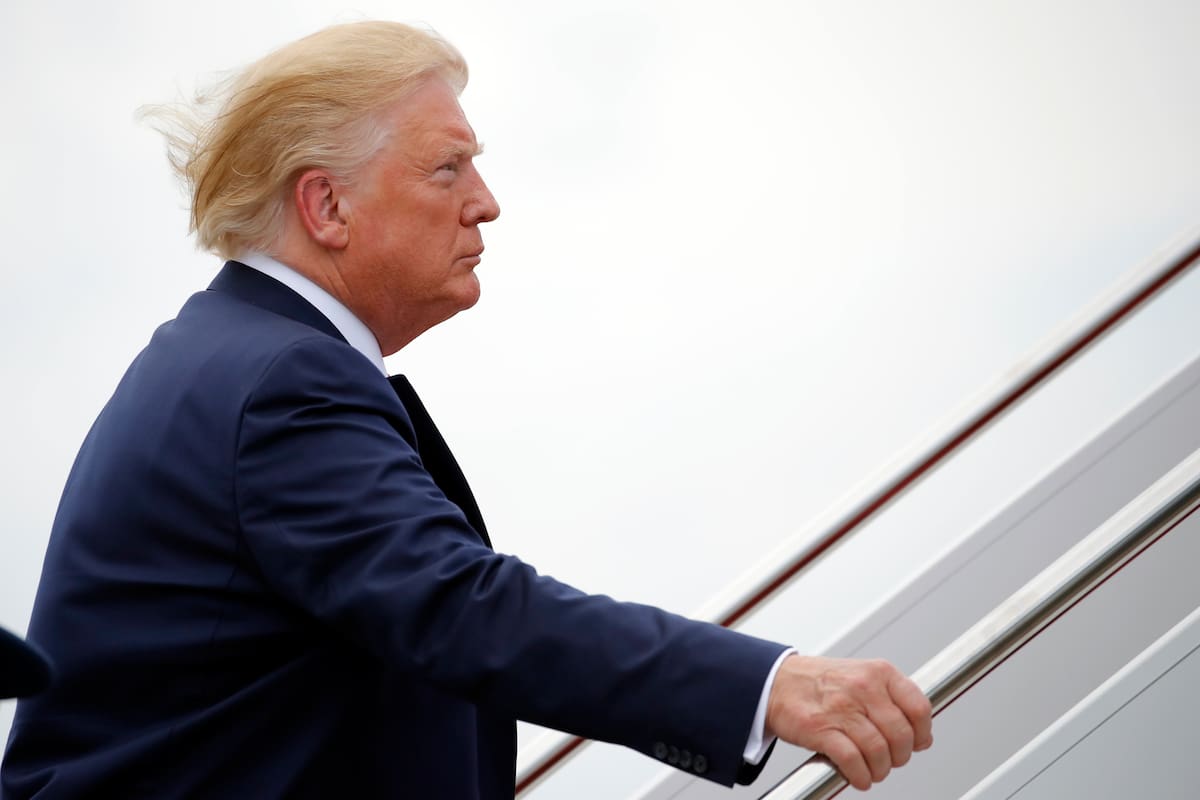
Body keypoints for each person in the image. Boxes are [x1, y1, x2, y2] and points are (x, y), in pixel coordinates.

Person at [1, 21, 931, 799]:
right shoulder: (279, 378)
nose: (486, 205)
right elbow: (460, 607)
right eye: (448, 169)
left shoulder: (233, 358)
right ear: (326, 206)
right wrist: (764, 687)